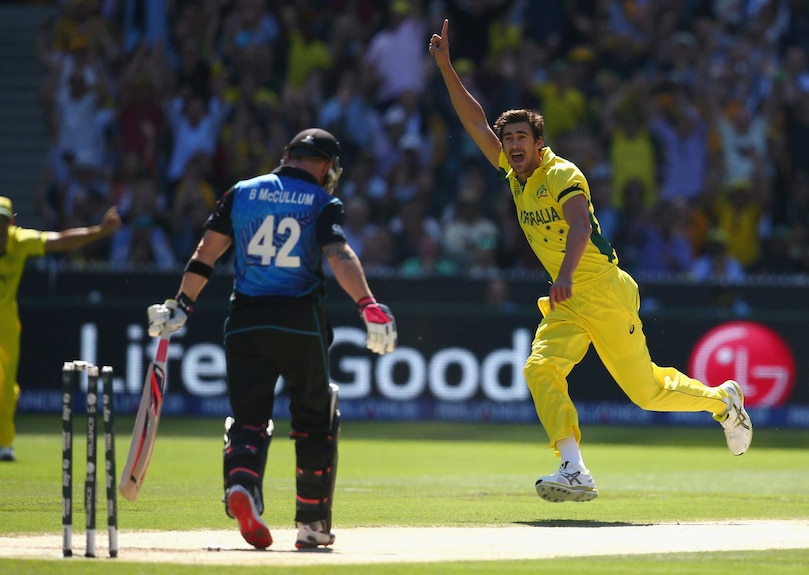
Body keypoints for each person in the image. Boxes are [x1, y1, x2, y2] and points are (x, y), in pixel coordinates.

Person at [429, 20, 753, 504]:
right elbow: (474, 121)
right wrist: (445, 67)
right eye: (508, 138)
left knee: (645, 393)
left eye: (521, 136)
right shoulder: (512, 175)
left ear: (538, 142)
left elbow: (579, 227)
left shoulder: (562, 172)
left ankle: (722, 401)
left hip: (600, 288)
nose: (513, 145)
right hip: (566, 299)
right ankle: (573, 467)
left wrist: (562, 276)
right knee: (540, 369)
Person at [145, 128, 397, 549]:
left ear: (288, 155)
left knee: (248, 420)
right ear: (324, 164)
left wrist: (182, 305)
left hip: (245, 321)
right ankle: (312, 525)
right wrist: (367, 303)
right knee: (317, 419)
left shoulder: (241, 192)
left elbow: (206, 252)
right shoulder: (321, 201)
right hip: (299, 321)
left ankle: (242, 486)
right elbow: (338, 253)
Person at [0, 196, 121, 462]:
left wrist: (99, 231)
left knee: (5, 385)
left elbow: (62, 240)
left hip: (5, 319)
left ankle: (4, 443)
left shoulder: (20, 242)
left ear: (12, 222)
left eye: (2, 222)